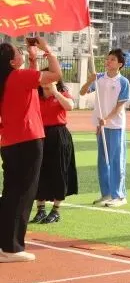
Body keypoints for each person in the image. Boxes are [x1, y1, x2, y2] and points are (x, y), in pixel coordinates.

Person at [0, 38, 62, 262]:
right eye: (18, 53)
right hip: (28, 140)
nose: (22, 54)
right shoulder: (18, 76)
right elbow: (55, 75)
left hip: (9, 142)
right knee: (23, 194)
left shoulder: (8, 78)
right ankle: (12, 248)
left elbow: (31, 84)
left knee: (11, 193)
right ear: (12, 62)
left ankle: (6, 244)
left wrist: (34, 58)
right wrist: (48, 51)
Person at [80, 48, 130, 208]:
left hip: (115, 126)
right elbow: (82, 93)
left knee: (116, 160)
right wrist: (90, 80)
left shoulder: (123, 82)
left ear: (120, 64)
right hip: (100, 126)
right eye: (108, 59)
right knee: (103, 160)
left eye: (112, 60)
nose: (108, 62)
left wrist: (107, 119)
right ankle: (106, 193)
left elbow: (119, 106)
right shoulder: (99, 78)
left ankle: (119, 195)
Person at [32, 80, 77, 224]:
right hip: (39, 134)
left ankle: (56, 210)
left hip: (58, 135)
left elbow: (70, 106)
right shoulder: (35, 95)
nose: (45, 82)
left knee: (59, 171)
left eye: (49, 79)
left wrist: (56, 93)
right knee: (39, 171)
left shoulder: (62, 94)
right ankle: (40, 209)